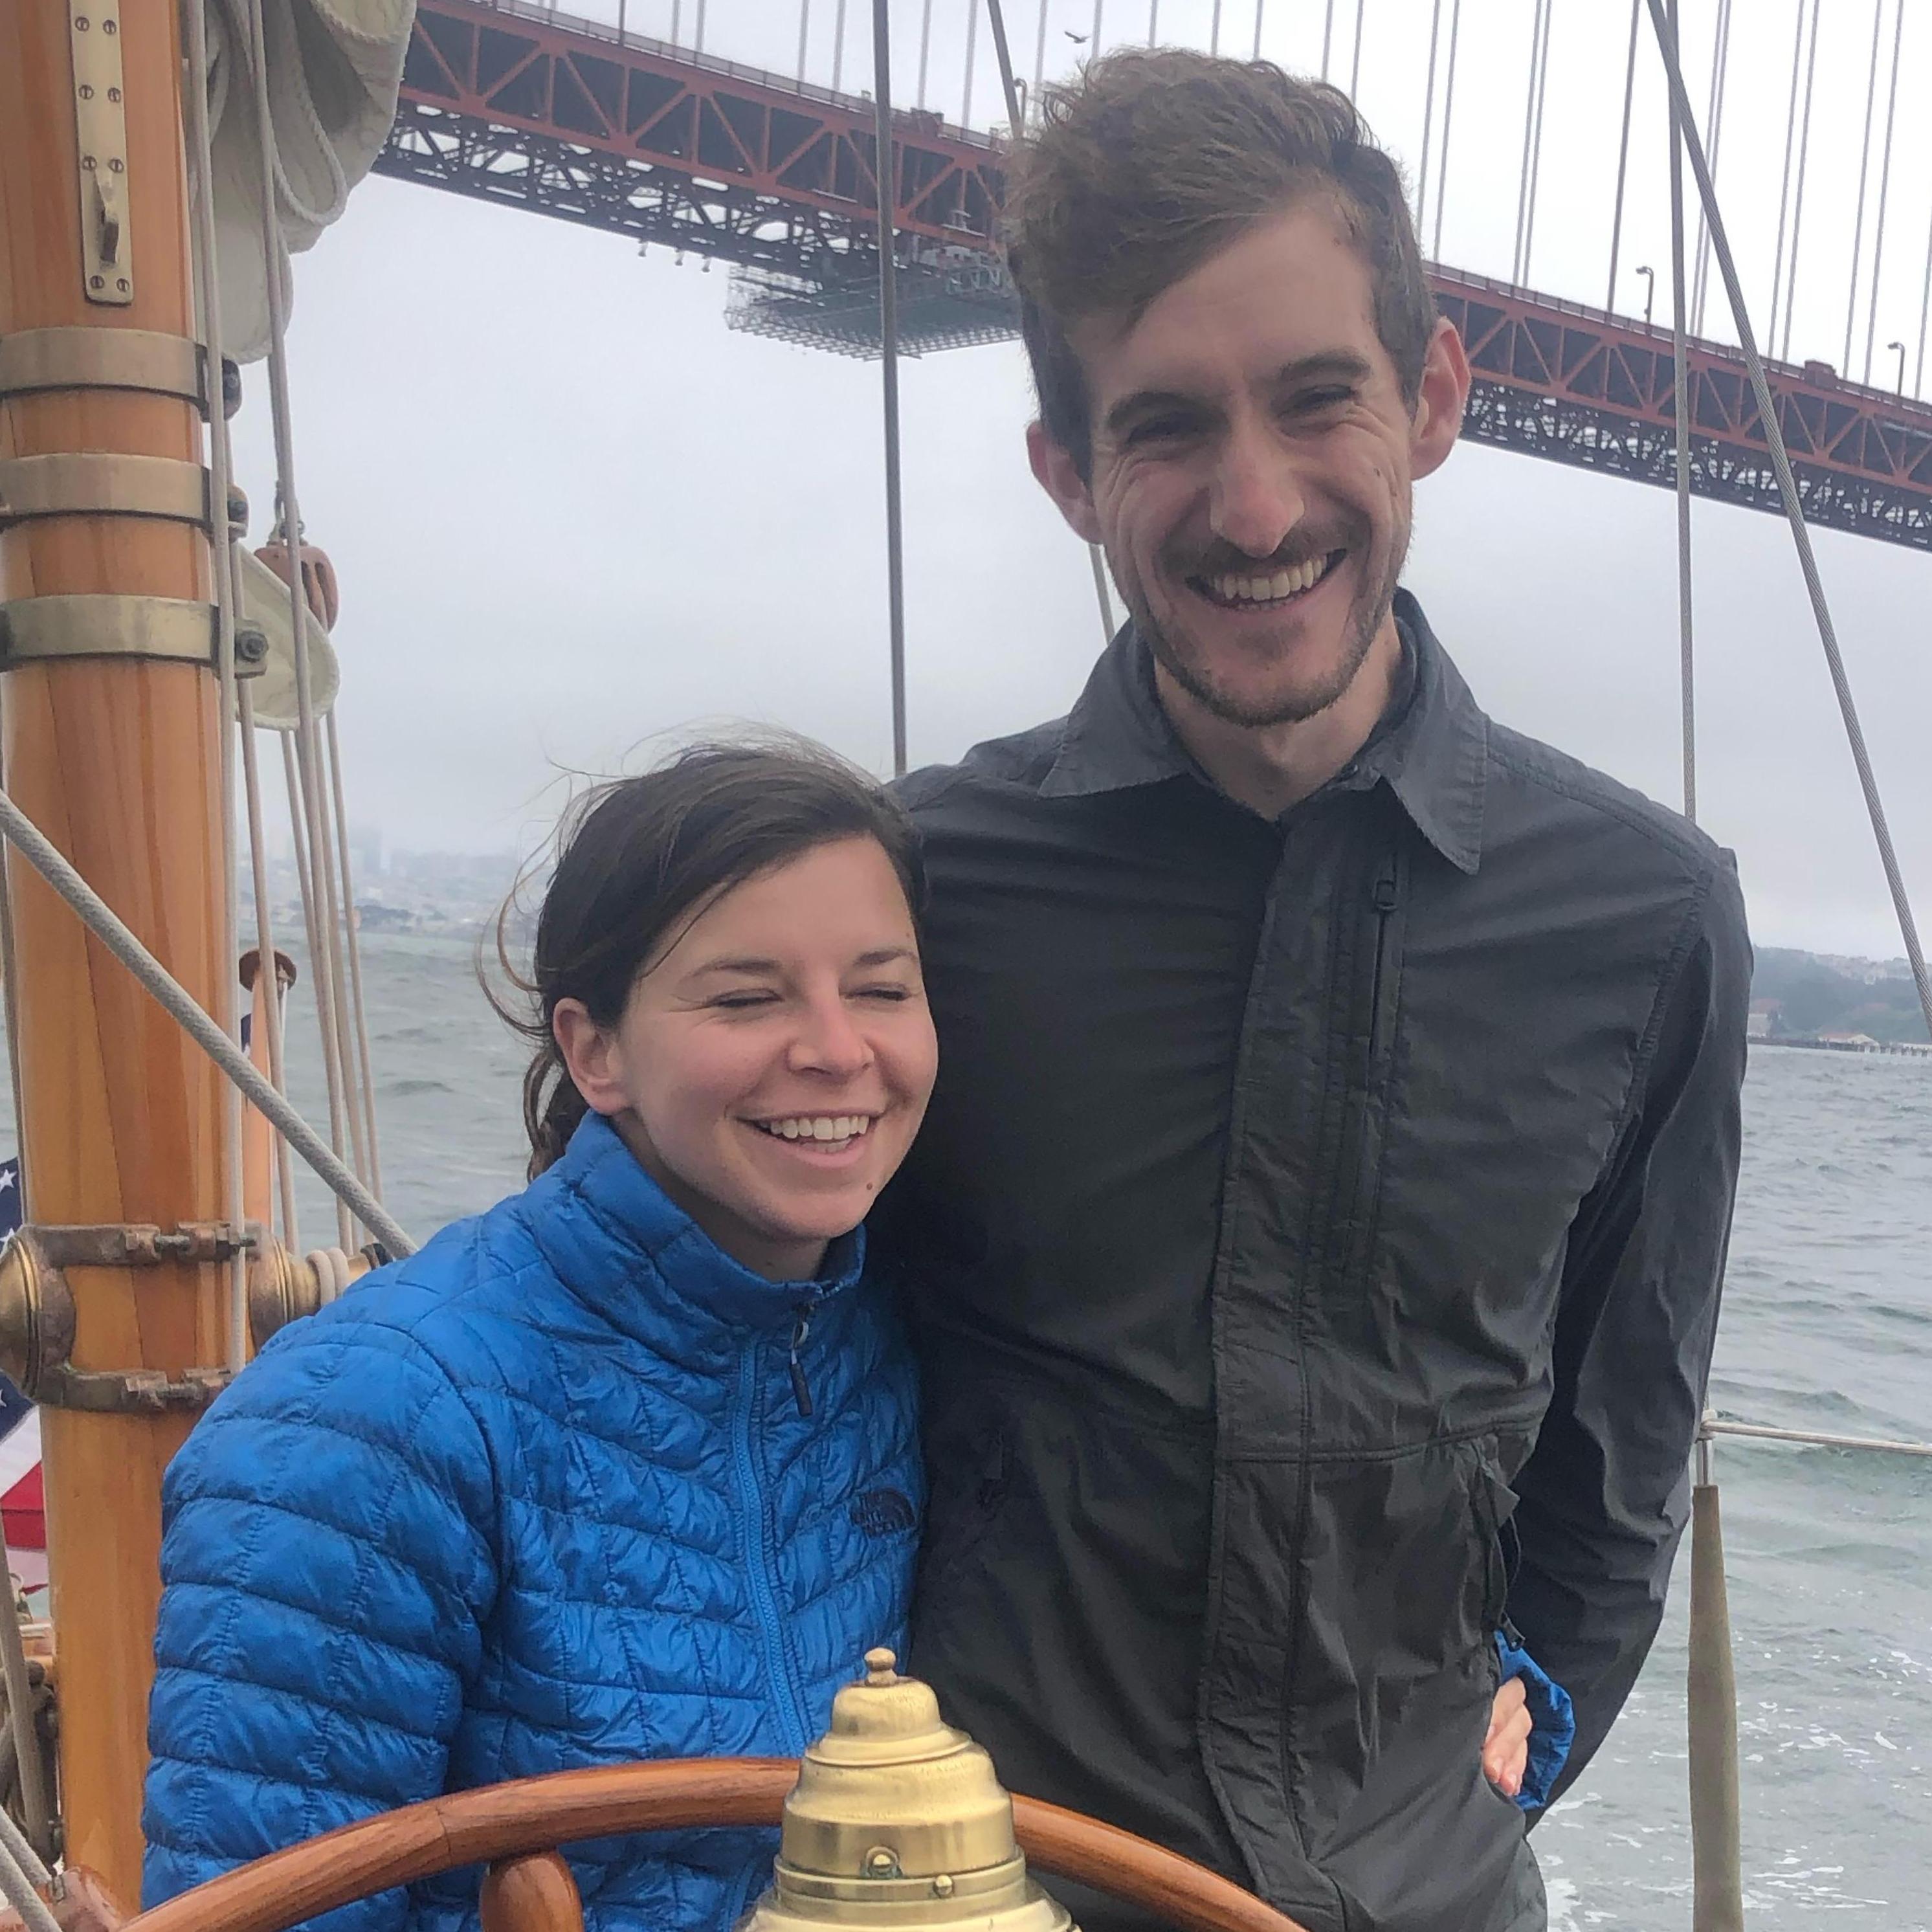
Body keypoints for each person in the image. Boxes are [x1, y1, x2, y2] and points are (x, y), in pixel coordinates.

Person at [883, 51, 1750, 1932]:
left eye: (1316, 400)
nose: (1255, 504)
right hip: (982, 1897)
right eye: (1167, 425)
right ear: (1065, 471)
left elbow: (1613, 1470)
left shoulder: (1651, 917)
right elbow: (690, 1334)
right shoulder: (915, 889)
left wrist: (1494, 1780)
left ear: (1432, 399)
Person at [142, 743, 939, 1932]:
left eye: (879, 987)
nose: (835, 1047)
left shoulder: (874, 1344)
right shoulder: (371, 1421)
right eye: (744, 996)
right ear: (594, 1048)